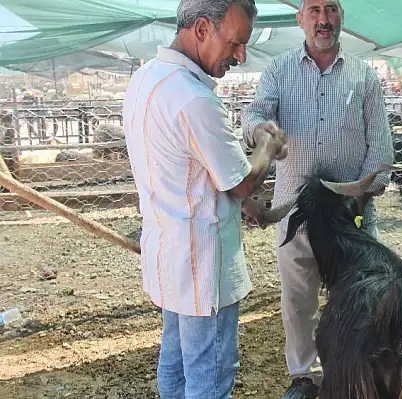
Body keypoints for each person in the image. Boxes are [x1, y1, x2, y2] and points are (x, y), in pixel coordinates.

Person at [122, 0, 287, 398]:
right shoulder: (194, 99)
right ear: (200, 29)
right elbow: (241, 184)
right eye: (235, 43)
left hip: (167, 257)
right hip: (202, 269)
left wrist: (242, 201)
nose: (241, 56)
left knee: (176, 363)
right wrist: (266, 145)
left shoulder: (145, 79)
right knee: (210, 376)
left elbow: (193, 171)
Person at [241, 0, 394, 397]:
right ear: (301, 19)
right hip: (297, 212)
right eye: (314, 11)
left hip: (350, 215)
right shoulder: (279, 69)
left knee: (359, 297)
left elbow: (380, 149)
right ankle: (304, 376)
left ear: (341, 17)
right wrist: (263, 131)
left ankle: (354, 372)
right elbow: (255, 114)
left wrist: (361, 200)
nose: (323, 20)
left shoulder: (364, 76)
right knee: (297, 299)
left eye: (331, 10)